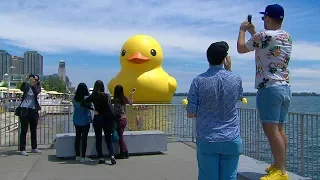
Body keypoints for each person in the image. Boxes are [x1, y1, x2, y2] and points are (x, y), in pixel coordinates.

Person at [237, 4, 291, 180]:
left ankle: (281, 172)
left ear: (267, 18)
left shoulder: (263, 35)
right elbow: (265, 45)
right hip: (284, 87)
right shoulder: (286, 37)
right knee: (279, 128)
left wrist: (243, 30)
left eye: (264, 18)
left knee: (271, 130)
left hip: (268, 88)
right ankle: (279, 165)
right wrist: (254, 31)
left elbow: (241, 48)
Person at [186, 41, 243, 180]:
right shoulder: (236, 79)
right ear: (225, 59)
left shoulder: (198, 81)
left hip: (208, 138)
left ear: (208, 58)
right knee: (230, 176)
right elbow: (238, 97)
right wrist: (229, 70)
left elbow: (191, 113)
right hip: (231, 137)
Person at [81, 80, 117, 165]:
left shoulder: (93, 96)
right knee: (108, 138)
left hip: (98, 118)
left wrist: (93, 109)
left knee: (98, 139)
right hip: (106, 118)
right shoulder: (106, 96)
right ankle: (112, 156)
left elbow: (82, 103)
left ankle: (101, 157)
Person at [18, 74, 42, 156]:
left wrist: (34, 84)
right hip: (24, 109)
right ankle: (22, 148)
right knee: (24, 129)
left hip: (33, 109)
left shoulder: (37, 87)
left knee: (33, 129)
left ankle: (34, 147)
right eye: (32, 79)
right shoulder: (27, 86)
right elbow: (21, 88)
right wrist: (26, 79)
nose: (33, 80)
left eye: (35, 79)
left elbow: (36, 92)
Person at [112, 85, 134, 159]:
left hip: (119, 120)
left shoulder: (116, 100)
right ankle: (122, 153)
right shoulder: (124, 98)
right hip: (124, 119)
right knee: (121, 136)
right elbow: (131, 103)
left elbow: (115, 110)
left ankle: (125, 152)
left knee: (120, 137)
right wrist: (132, 94)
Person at [72, 83, 93, 163]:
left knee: (77, 138)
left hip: (76, 120)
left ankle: (77, 155)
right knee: (84, 139)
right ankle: (83, 157)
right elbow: (90, 106)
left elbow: (75, 106)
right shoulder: (87, 99)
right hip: (85, 120)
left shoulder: (74, 99)